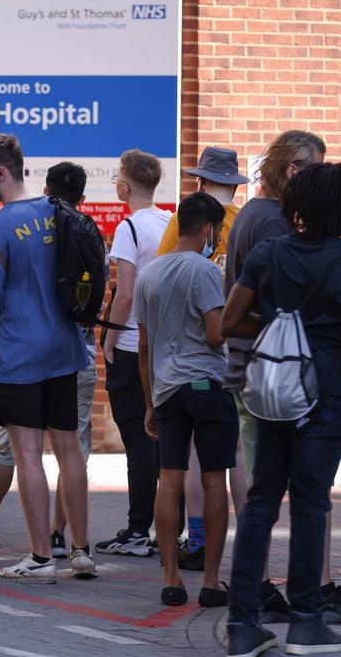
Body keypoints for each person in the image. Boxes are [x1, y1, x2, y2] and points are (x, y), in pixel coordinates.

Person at [222, 162, 341, 656]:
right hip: (323, 400)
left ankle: (242, 624)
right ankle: (307, 621)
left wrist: (278, 333)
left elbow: (231, 320)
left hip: (273, 396)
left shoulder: (270, 253)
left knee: (259, 506)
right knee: (311, 506)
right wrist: (336, 341)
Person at [0, 133, 96, 583]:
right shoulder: (58, 211)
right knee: (69, 450)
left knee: (26, 454)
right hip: (65, 349)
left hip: (20, 355)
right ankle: (81, 550)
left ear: (1, 172)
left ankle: (41, 557)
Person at [136, 192, 238, 607]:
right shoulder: (205, 271)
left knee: (169, 479)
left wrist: (149, 403)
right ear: (210, 229)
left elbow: (143, 347)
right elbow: (216, 334)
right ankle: (211, 581)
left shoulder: (149, 273)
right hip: (206, 385)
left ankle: (170, 578)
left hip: (165, 390)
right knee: (214, 480)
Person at [158, 146, 248, 573]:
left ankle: (196, 539)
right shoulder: (250, 221)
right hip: (243, 345)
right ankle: (252, 542)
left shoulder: (185, 219)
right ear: (234, 184)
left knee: (193, 458)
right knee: (239, 454)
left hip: (189, 353)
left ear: (199, 182)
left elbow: (163, 274)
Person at [96, 149, 171, 557]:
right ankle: (167, 526)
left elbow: (123, 294)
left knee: (138, 441)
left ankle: (139, 528)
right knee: (165, 439)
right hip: (165, 345)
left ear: (125, 186)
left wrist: (108, 339)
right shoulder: (169, 222)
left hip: (130, 345)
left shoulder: (130, 227)